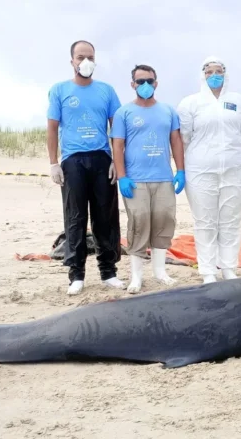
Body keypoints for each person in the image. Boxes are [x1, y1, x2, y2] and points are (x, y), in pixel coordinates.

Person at [47, 39, 126, 295]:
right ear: (72, 60)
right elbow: (52, 127)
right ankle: (76, 275)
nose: (85, 62)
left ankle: (108, 272)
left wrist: (116, 160)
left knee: (106, 216)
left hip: (101, 158)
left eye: (90, 57)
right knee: (75, 217)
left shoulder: (106, 90)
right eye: (80, 57)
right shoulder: (59, 90)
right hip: (73, 160)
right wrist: (53, 163)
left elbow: (117, 128)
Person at [110, 64, 186, 294]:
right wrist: (122, 177)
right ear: (132, 84)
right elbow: (118, 145)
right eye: (140, 81)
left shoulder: (168, 111)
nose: (145, 85)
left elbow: (176, 141)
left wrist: (180, 171)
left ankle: (160, 272)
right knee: (139, 222)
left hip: (163, 178)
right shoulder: (124, 112)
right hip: (135, 179)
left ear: (156, 82)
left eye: (149, 81)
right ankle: (136, 276)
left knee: (164, 221)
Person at [177, 56, 241, 284]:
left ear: (225, 74)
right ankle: (208, 271)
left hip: (234, 168)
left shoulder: (239, 102)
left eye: (218, 70)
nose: (214, 75)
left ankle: (229, 267)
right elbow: (185, 137)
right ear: (202, 75)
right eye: (209, 71)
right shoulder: (190, 103)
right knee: (205, 221)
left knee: (230, 220)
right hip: (201, 170)